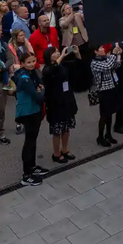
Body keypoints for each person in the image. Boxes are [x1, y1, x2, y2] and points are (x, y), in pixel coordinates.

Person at [12, 52, 48, 186]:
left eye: (33, 61)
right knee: (29, 142)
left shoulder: (33, 73)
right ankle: (26, 175)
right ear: (22, 64)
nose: (32, 64)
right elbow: (38, 96)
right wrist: (42, 90)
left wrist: (40, 89)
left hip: (35, 110)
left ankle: (32, 167)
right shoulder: (24, 78)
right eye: (28, 62)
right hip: (28, 112)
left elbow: (40, 84)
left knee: (33, 140)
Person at [42, 47, 78, 164]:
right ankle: (56, 153)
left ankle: (65, 149)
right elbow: (51, 71)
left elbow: (77, 66)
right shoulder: (47, 69)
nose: (58, 53)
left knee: (66, 127)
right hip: (55, 102)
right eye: (54, 52)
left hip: (66, 99)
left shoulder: (62, 65)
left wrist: (77, 54)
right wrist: (62, 56)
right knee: (57, 129)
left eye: (58, 51)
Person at [90, 44, 121, 148]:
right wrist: (113, 54)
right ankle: (100, 137)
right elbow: (108, 66)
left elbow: (116, 66)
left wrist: (118, 55)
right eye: (101, 48)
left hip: (112, 88)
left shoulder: (106, 58)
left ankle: (108, 134)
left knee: (110, 113)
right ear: (95, 52)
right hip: (103, 91)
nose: (103, 49)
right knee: (104, 115)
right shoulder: (94, 63)